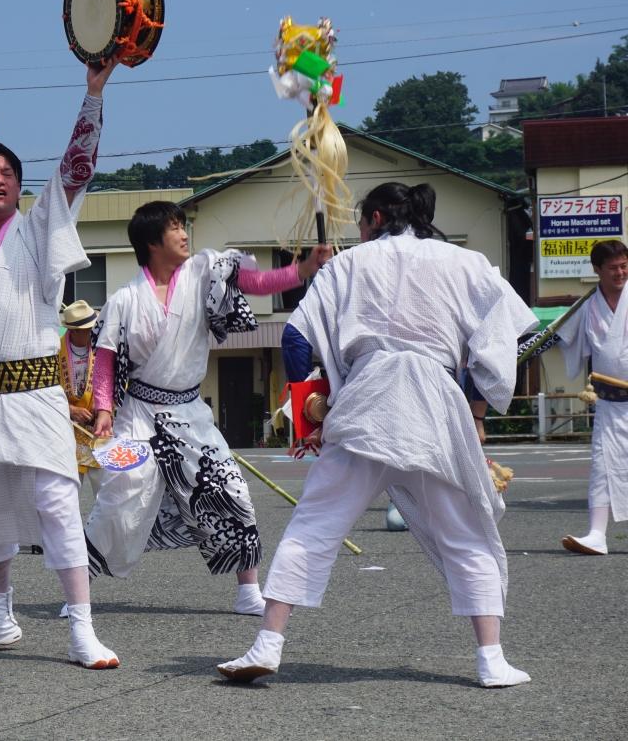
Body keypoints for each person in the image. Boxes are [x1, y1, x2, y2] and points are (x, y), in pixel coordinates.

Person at [219, 182, 536, 688]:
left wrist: (309, 416)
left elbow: (295, 338)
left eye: (362, 222)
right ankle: (491, 659)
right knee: (466, 532)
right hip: (434, 402)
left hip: (367, 398)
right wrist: (477, 412)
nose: (359, 232)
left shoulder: (348, 264)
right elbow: (504, 337)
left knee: (314, 524)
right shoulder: (466, 262)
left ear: (377, 218)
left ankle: (268, 644)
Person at [0, 61, 120, 669]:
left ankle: (82, 628)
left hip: (38, 395)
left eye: (8, 173)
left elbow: (75, 169)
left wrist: (93, 94)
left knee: (58, 505)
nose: (0, 180)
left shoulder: (39, 230)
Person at [86, 201, 329, 615]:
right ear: (152, 242)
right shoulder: (125, 299)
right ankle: (81, 586)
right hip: (139, 413)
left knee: (229, 487)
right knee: (120, 493)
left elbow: (253, 281)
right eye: (174, 228)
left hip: (190, 412)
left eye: (183, 226)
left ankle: (248, 590)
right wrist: (104, 409)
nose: (184, 234)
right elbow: (106, 358)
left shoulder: (204, 272)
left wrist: (301, 270)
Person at [552, 239, 628, 555]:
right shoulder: (588, 306)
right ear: (597, 270)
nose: (620, 273)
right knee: (602, 465)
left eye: (624, 266)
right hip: (609, 402)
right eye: (613, 268)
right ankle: (597, 534)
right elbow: (563, 336)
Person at [59, 300, 104, 498]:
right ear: (74, 331)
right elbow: (45, 390)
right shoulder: (54, 351)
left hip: (98, 430)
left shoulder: (102, 348)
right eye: (88, 330)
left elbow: (118, 382)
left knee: (106, 495)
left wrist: (104, 408)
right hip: (66, 430)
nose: (94, 332)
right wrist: (69, 409)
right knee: (66, 495)